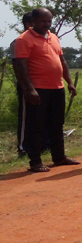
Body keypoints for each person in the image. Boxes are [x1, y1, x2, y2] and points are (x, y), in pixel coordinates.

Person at [13, 8, 80, 172]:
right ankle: (35, 161)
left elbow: (61, 60)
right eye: (43, 21)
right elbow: (19, 65)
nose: (47, 24)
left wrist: (69, 82)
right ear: (33, 22)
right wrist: (29, 89)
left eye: (49, 21)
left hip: (57, 88)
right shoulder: (23, 40)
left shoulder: (53, 37)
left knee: (57, 123)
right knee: (35, 125)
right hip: (37, 89)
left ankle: (59, 157)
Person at [10, 12, 34, 156]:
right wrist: (26, 87)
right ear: (28, 24)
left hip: (42, 85)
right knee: (26, 117)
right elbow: (17, 67)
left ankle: (41, 144)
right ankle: (22, 147)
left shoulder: (42, 39)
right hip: (27, 85)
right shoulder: (18, 42)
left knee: (39, 117)